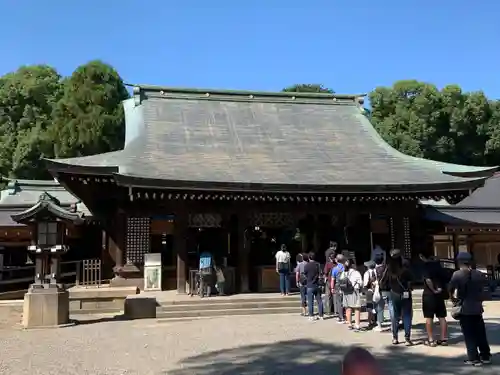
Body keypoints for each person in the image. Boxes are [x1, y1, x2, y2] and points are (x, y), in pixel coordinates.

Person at [449, 252, 491, 366]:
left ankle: (474, 358)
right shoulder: (478, 274)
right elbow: (486, 287)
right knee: (480, 333)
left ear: (459, 262)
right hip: (477, 308)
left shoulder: (457, 274)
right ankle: (485, 355)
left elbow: (451, 289)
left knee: (469, 335)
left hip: (465, 309)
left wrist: (453, 300)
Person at [386, 249, 413, 345]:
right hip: (405, 292)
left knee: (395, 316)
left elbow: (386, 281)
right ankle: (407, 338)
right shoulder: (405, 265)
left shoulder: (389, 267)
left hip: (394, 292)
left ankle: (395, 337)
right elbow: (411, 279)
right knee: (407, 315)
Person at [420, 253, 448, 347]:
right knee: (442, 317)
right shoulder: (440, 269)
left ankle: (431, 339)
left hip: (429, 294)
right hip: (440, 295)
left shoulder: (426, 268)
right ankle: (443, 338)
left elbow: (428, 280)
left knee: (429, 317)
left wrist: (433, 289)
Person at [338, 258, 363, 331]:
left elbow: (341, 281)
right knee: (357, 308)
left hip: (345, 292)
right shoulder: (356, 272)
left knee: (347, 308)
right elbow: (360, 282)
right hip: (354, 291)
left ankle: (349, 324)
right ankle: (357, 324)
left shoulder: (343, 272)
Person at [303, 252, 325, 321]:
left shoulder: (307, 265)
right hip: (317, 285)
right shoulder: (318, 264)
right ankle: (321, 315)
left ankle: (311, 316)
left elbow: (305, 274)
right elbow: (321, 273)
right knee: (319, 301)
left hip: (310, 285)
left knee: (310, 301)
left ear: (309, 258)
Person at [374, 253, 388, 332]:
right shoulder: (386, 268)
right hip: (388, 289)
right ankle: (394, 324)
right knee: (391, 307)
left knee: (380, 307)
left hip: (380, 289)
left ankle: (379, 325)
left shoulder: (375, 270)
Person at [331, 254, 346, 322]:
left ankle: (341, 317)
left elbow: (332, 279)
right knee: (345, 300)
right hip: (345, 285)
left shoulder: (335, 269)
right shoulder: (345, 268)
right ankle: (346, 315)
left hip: (338, 285)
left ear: (336, 260)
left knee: (339, 301)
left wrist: (332, 288)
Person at [363, 260, 377, 328]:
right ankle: (375, 320)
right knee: (375, 305)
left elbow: (365, 284)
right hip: (376, 291)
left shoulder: (367, 273)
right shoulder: (377, 272)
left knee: (369, 306)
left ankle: (370, 321)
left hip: (369, 291)